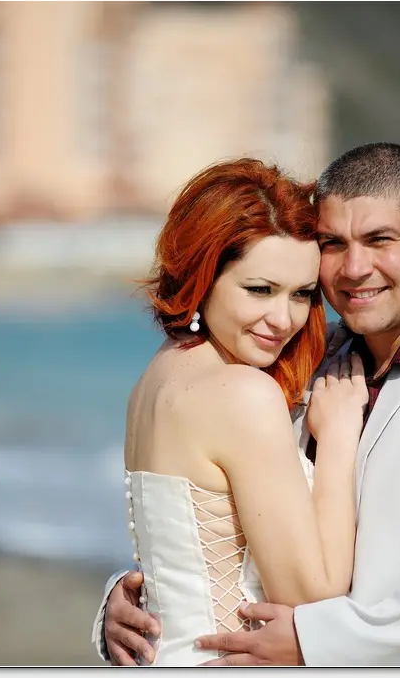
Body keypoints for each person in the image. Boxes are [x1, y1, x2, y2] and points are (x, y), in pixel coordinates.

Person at [95, 142, 400, 666]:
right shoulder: (289, 359)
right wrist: (131, 603)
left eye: (379, 240)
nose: (354, 267)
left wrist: (317, 642)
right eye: (333, 243)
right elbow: (216, 526)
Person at [109, 157, 369, 666]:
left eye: (302, 294)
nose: (284, 319)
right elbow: (312, 599)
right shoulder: (243, 393)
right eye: (260, 290)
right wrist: (339, 437)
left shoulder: (155, 378)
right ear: (203, 276)